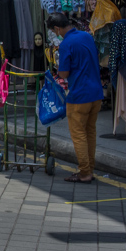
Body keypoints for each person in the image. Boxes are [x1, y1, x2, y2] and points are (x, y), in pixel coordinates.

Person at [48, 12, 103, 183]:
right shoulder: (86, 36)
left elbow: (64, 73)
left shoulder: (66, 44)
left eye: (54, 31)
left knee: (79, 134)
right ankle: (89, 168)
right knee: (90, 132)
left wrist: (56, 64)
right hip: (96, 93)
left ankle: (85, 172)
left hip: (79, 95)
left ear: (57, 28)